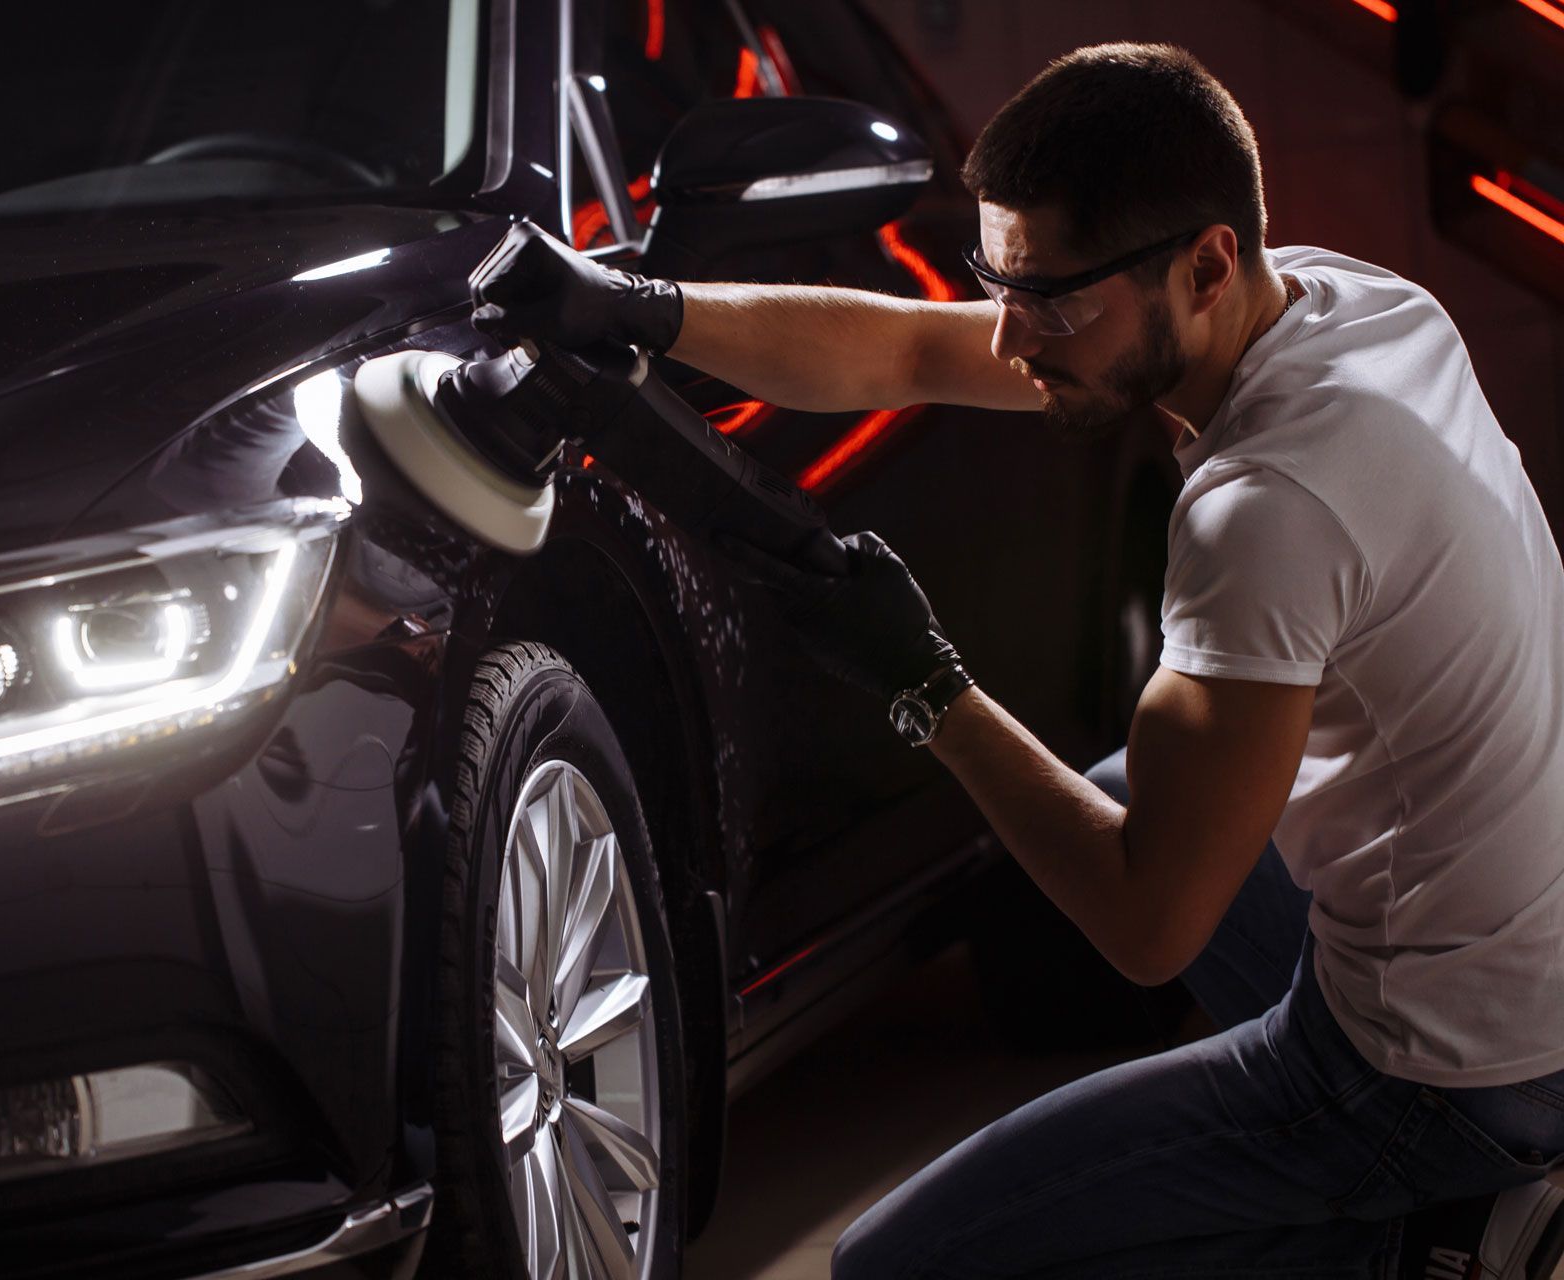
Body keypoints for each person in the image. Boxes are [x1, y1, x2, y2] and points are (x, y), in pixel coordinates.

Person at [470, 40, 1564, 1280]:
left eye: (1050, 303)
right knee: (1110, 785)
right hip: (1536, 964)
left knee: (894, 1264)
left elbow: (1151, 926)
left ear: (1204, 264)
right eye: (1002, 282)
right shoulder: (1350, 302)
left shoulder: (1266, 510)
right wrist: (644, 313)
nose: (1009, 339)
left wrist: (925, 682)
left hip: (1447, 1065)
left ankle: (1427, 1234)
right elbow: (910, 352)